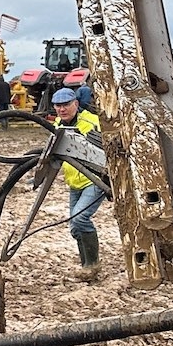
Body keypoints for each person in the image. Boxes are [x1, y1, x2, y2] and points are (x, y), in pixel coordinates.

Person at [52, 86, 103, 280]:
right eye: (58, 106)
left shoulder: (90, 122)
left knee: (80, 219)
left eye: (65, 105)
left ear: (76, 104)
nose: (61, 109)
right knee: (75, 226)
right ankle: (87, 266)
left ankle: (93, 265)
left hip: (93, 179)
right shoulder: (58, 123)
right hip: (74, 181)